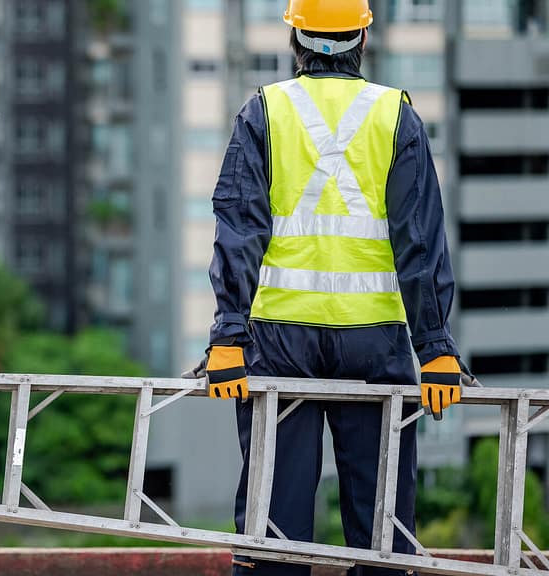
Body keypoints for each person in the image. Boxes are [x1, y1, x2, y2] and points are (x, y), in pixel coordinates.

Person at [182, 1, 468, 574]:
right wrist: (435, 350)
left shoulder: (264, 111)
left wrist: (228, 336)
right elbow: (420, 240)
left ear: (297, 39)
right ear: (364, 34)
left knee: (277, 528)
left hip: (281, 339)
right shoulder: (396, 116)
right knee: (382, 530)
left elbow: (240, 228)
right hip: (376, 342)